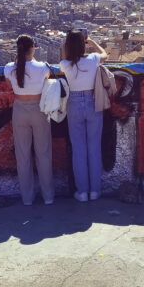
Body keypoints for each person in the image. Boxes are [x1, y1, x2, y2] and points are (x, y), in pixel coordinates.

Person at [3, 35, 54, 206]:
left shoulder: (9, 68)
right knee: (43, 154)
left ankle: (27, 198)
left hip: (19, 109)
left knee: (23, 155)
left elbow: (9, 84)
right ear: (33, 48)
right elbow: (47, 80)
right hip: (39, 109)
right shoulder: (42, 67)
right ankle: (48, 197)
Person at [60, 29, 109, 202]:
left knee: (78, 149)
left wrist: (67, 45)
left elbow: (65, 55)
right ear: (82, 45)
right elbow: (104, 54)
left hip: (74, 103)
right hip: (92, 102)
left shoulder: (65, 64)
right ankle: (95, 191)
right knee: (94, 147)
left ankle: (82, 192)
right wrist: (92, 42)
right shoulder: (92, 60)